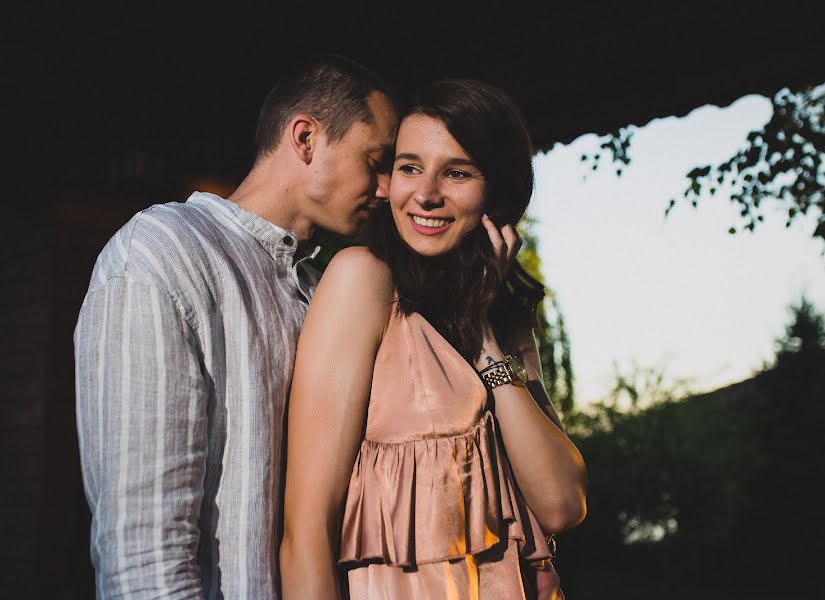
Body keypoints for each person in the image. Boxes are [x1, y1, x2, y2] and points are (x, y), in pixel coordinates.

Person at [74, 54, 398, 598]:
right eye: (376, 159)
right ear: (305, 138)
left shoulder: (327, 290)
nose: (387, 188)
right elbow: (144, 559)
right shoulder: (161, 254)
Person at [280, 79, 587, 599]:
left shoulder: (503, 314)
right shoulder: (363, 280)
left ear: (497, 192)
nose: (425, 194)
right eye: (409, 167)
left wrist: (486, 334)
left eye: (457, 173)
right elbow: (304, 533)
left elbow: (560, 502)